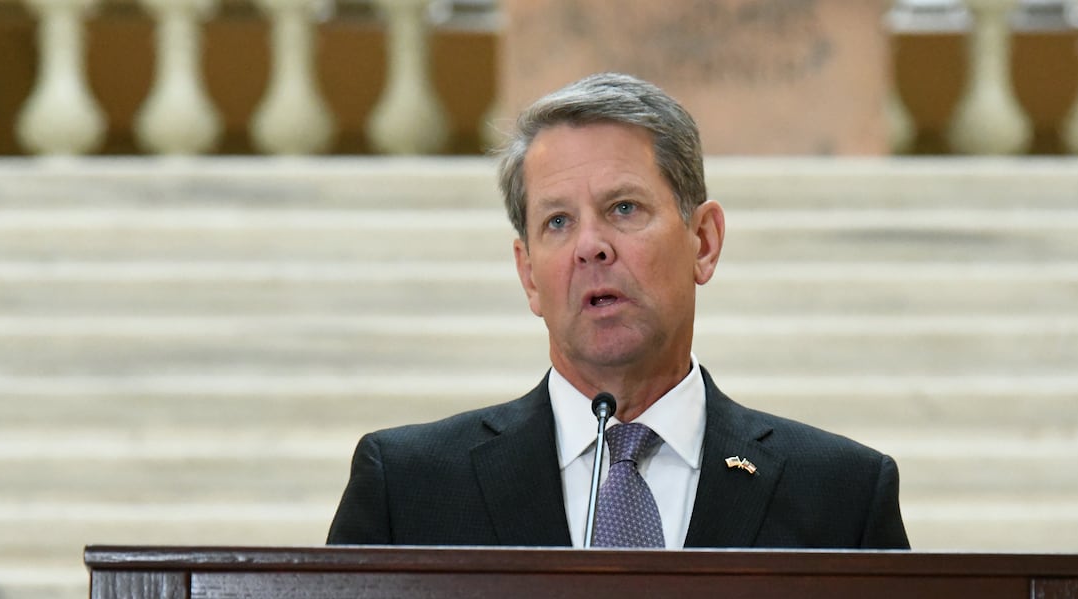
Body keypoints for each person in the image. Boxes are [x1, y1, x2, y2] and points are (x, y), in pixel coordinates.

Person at [327, 72, 908, 550]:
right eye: (558, 222)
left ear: (702, 242)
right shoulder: (408, 491)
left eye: (624, 208)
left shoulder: (841, 496)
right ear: (528, 273)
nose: (590, 246)